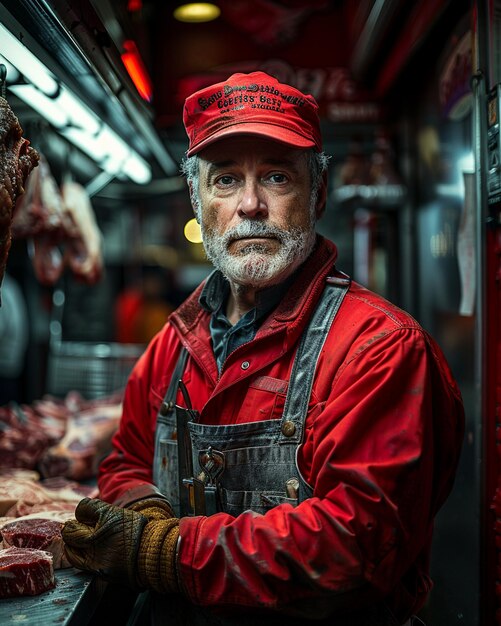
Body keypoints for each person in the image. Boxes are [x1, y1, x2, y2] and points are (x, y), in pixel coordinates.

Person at [62, 71, 465, 626]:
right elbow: (127, 458)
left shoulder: (380, 350)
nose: (249, 205)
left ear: (317, 193)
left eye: (276, 177)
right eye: (225, 180)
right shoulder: (174, 344)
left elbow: (355, 545)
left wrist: (165, 552)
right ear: (197, 201)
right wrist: (144, 508)